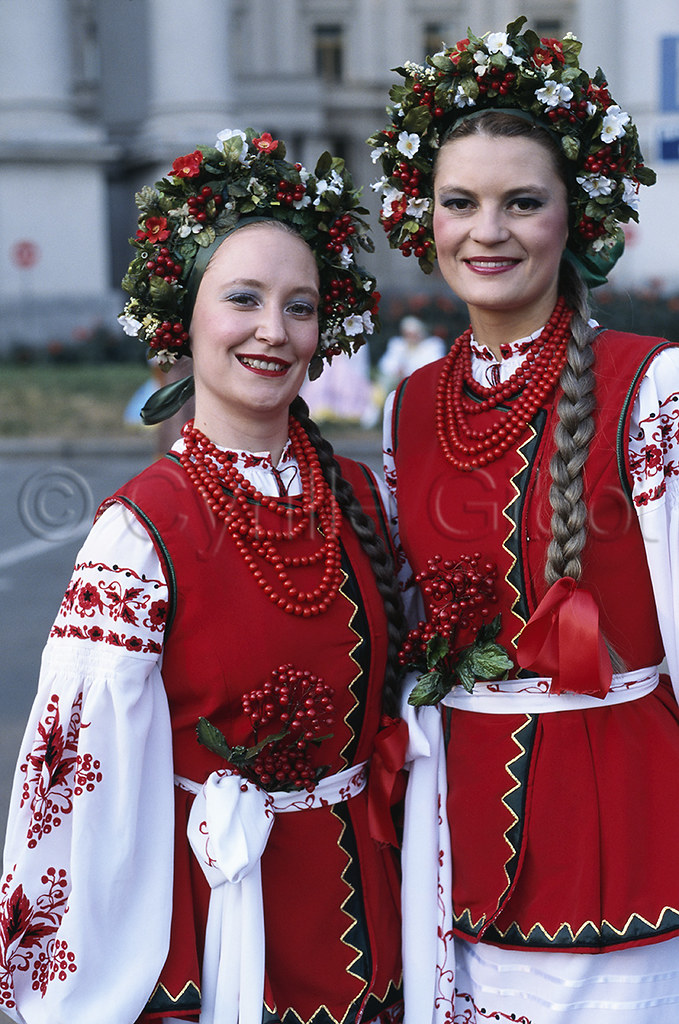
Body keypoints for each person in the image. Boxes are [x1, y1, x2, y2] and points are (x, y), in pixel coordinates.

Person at [0, 128, 406, 1024]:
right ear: (181, 317)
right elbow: (74, 787)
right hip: (218, 930)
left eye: (299, 306)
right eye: (244, 299)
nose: (273, 330)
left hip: (370, 929)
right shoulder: (136, 533)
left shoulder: (362, 497)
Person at [369, 17, 679, 1023]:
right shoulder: (407, 405)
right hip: (451, 845)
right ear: (425, 220)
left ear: (572, 217)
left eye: (521, 202)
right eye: (459, 202)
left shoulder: (654, 386)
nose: (486, 230)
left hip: (624, 843)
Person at [377, 315, 445, 394]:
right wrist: (396, 370)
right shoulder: (398, 345)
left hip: (422, 383)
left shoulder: (432, 346)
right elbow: (385, 364)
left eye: (413, 334)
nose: (411, 337)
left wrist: (408, 371)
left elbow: (432, 366)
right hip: (398, 383)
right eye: (407, 334)